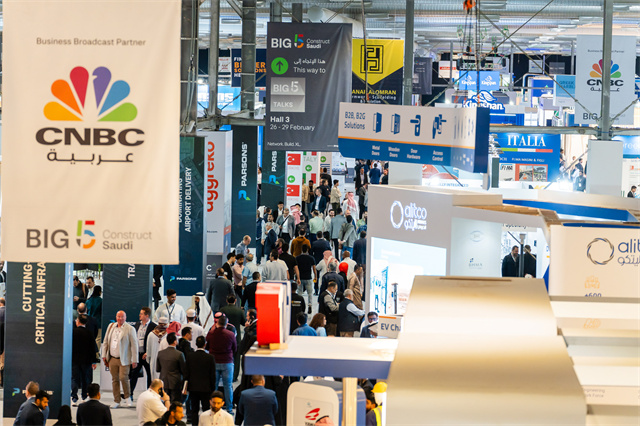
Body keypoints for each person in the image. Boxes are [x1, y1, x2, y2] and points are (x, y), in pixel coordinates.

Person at [101, 310, 138, 408]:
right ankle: (117, 400)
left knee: (123, 378)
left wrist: (135, 360)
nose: (120, 318)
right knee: (115, 379)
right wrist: (104, 355)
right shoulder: (111, 326)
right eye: (118, 316)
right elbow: (105, 341)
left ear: (125, 318)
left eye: (122, 317)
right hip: (112, 358)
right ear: (116, 317)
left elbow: (134, 345)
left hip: (124, 359)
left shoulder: (130, 329)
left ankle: (127, 397)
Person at [184, 336, 216, 425]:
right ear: (205, 344)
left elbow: (186, 373)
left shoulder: (190, 356)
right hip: (206, 388)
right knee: (206, 410)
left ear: (196, 344)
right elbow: (212, 375)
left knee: (194, 410)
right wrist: (212, 388)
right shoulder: (210, 357)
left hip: (193, 387)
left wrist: (187, 386)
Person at [209, 315, 236, 414]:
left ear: (217, 323)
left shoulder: (211, 333)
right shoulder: (230, 334)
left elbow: (207, 346)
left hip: (214, 361)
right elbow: (235, 348)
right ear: (226, 324)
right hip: (227, 361)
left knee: (214, 385)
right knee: (228, 386)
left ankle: (213, 406)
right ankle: (229, 408)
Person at [71, 314, 98, 406]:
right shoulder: (89, 333)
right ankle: (84, 397)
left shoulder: (73, 332)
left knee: (74, 378)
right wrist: (94, 361)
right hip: (86, 360)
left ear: (78, 321)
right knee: (85, 379)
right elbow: (92, 348)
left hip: (74, 359)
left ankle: (74, 397)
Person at [130, 307, 157, 397]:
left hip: (146, 355)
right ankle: (129, 393)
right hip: (138, 354)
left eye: (141, 314)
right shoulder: (137, 324)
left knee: (150, 374)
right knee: (134, 374)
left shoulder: (153, 326)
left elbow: (154, 342)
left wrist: (148, 352)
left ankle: (149, 393)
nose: (139, 315)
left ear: (147, 315)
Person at [219, 295, 244, 382]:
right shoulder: (239, 311)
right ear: (235, 300)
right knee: (236, 357)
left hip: (224, 337)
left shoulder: (222, 310)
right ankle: (234, 376)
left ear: (226, 300)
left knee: (225, 356)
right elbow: (243, 323)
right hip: (236, 337)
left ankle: (225, 376)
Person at [156, 332, 187, 403]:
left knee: (165, 402)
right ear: (175, 341)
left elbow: (158, 369)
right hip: (176, 382)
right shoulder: (179, 354)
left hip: (164, 380)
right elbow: (184, 370)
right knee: (175, 402)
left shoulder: (160, 353)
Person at [146, 317, 169, 381]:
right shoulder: (168, 335)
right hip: (166, 361)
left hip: (154, 361)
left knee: (155, 380)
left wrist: (149, 359)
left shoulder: (151, 334)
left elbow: (148, 350)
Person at [296, 244, 317, 313]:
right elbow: (314, 269)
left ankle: (299, 306)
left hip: (300, 278)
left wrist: (296, 277)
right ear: (307, 250)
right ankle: (310, 305)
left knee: (299, 293)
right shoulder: (311, 258)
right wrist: (315, 276)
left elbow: (295, 268)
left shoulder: (298, 258)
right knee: (310, 293)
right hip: (308, 278)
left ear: (301, 249)